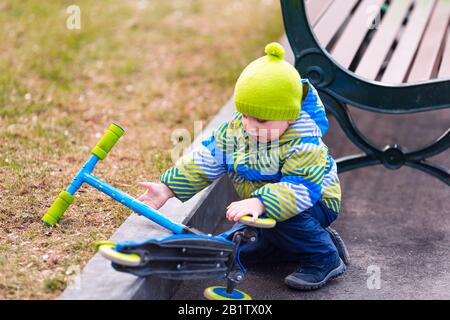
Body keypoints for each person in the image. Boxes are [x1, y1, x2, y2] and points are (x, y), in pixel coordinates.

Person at [136, 42, 346, 290]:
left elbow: (299, 189)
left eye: (261, 119)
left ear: (290, 116)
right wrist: (167, 188)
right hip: (265, 203)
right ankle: (290, 245)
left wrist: (260, 202)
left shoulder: (304, 143)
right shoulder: (238, 131)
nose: (249, 125)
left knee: (285, 220)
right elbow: (207, 159)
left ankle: (324, 257)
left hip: (315, 202)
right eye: (244, 115)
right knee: (242, 240)